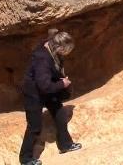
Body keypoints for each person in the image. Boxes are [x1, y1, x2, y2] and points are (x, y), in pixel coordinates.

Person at [19, 29, 82, 165]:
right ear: (58, 47)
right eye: (65, 50)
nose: (66, 53)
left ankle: (65, 145)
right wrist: (62, 83)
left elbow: (52, 31)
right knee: (34, 125)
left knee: (60, 113)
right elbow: (44, 86)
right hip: (33, 93)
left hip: (46, 88)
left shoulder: (51, 44)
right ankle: (25, 159)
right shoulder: (42, 58)